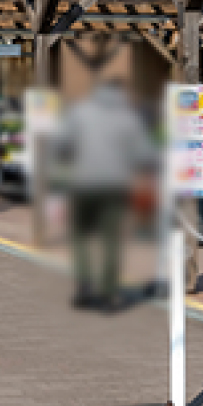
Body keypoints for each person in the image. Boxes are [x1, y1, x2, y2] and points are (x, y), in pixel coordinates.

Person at [50, 79, 155, 310]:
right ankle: (107, 292)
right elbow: (145, 154)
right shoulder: (129, 118)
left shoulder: (79, 113)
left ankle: (85, 284)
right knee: (112, 238)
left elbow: (61, 145)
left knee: (80, 235)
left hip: (82, 183)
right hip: (115, 186)